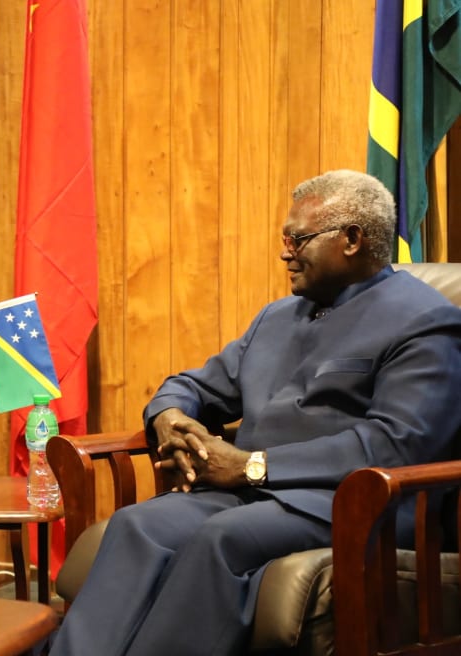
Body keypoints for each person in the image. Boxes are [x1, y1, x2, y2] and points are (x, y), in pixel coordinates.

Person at [50, 169, 461, 655]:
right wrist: (170, 416)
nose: (286, 251)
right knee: (137, 524)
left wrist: (251, 466)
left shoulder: (426, 321)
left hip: (351, 504)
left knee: (221, 538)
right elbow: (193, 385)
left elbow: (396, 443)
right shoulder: (276, 318)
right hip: (249, 492)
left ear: (351, 239)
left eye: (298, 238)